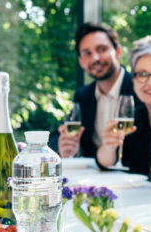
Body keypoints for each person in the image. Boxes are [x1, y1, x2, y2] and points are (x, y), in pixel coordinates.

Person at [96, 36, 151, 186]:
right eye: (142, 74)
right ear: (134, 82)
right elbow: (105, 163)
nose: (150, 82)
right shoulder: (134, 119)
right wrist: (109, 147)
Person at [58, 22, 140, 159]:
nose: (95, 58)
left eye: (102, 49)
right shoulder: (82, 96)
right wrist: (71, 152)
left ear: (118, 52)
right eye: (87, 53)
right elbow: (84, 150)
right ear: (81, 62)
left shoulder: (140, 89)